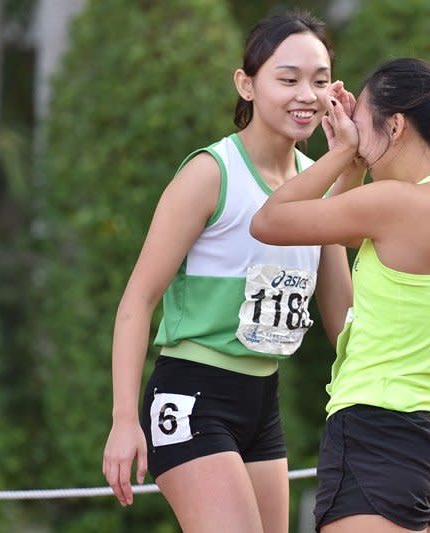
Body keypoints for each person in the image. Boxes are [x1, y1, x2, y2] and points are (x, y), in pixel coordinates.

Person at [251, 58, 430, 533]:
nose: (354, 135)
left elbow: (270, 221)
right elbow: (348, 238)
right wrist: (355, 164)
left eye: (360, 125)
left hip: (380, 434)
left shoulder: (401, 202)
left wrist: (340, 154)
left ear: (395, 126)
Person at [102, 11, 353, 533]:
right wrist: (125, 419)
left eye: (320, 80)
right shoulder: (210, 173)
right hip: (192, 395)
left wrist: (350, 166)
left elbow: (344, 322)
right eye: (288, 79)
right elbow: (137, 302)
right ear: (247, 84)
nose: (306, 94)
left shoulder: (316, 183)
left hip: (264, 402)